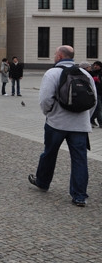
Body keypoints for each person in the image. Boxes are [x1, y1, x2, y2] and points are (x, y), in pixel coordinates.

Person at [29, 45, 95, 207]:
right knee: (79, 159)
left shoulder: (52, 73)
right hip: (80, 126)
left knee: (49, 154)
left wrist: (50, 114)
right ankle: (79, 196)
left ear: (59, 56)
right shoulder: (86, 73)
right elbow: (93, 101)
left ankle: (43, 182)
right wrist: (85, 117)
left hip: (57, 123)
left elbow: (45, 99)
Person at [90, 61, 102, 127]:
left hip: (100, 92)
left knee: (97, 108)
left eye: (97, 65)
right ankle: (101, 122)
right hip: (96, 92)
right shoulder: (92, 73)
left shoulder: (100, 73)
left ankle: (91, 119)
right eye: (94, 65)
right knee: (99, 108)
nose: (95, 66)